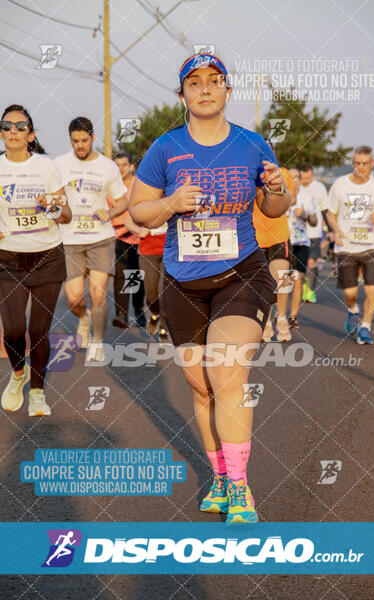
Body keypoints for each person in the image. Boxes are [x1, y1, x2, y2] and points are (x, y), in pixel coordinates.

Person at [130, 53, 290, 524]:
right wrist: (171, 202)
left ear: (226, 90)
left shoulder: (252, 143)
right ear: (181, 94)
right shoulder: (165, 148)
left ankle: (239, 488)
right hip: (182, 282)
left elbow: (276, 208)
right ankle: (220, 475)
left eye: (214, 81)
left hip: (242, 272)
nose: (205, 89)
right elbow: (138, 211)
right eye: (194, 82)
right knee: (201, 389)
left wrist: (278, 187)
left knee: (227, 373)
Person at [0, 104, 72, 416]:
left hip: (47, 257)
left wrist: (52, 207)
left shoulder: (46, 167)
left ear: (30, 134)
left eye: (20, 126)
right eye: (7, 125)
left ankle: (39, 393)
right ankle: (19, 374)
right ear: (1, 133)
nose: (13, 131)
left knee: (39, 330)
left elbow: (66, 216)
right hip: (8, 259)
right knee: (14, 329)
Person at [55, 118, 128, 361]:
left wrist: (111, 212)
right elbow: (51, 198)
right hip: (70, 239)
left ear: (92, 137)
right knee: (73, 296)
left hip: (101, 237)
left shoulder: (107, 167)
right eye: (75, 141)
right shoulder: (59, 165)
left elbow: (123, 200)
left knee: (98, 293)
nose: (80, 146)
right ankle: (83, 318)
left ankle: (97, 341)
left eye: (84, 140)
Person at [327, 146, 374, 344]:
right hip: (346, 246)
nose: (360, 167)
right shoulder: (340, 184)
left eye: (365, 163)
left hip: (373, 245)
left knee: (372, 290)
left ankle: (366, 327)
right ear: (353, 162)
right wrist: (335, 229)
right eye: (357, 163)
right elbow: (331, 213)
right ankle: (352, 310)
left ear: (372, 163)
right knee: (351, 293)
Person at [253, 167, 294, 342]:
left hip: (279, 233)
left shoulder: (282, 173)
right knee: (265, 283)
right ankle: (266, 321)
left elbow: (289, 198)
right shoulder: (247, 172)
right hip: (256, 235)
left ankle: (283, 318)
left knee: (284, 277)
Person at [110, 153, 146, 329]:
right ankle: (121, 314)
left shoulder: (139, 184)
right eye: (116, 165)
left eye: (124, 165)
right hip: (120, 237)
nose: (120, 169)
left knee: (137, 275)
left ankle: (139, 310)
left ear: (131, 166)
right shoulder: (110, 187)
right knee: (121, 275)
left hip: (140, 237)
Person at [125, 212, 168, 341]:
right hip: (148, 252)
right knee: (151, 295)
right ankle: (154, 315)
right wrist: (139, 230)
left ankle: (164, 331)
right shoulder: (144, 197)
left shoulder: (173, 195)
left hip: (170, 251)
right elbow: (128, 222)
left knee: (163, 294)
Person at [285, 169, 317, 329]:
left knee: (298, 281)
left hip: (301, 243)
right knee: (283, 282)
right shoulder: (280, 195)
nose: (295, 180)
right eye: (291, 177)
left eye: (297, 177)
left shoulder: (306, 197)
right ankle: (281, 316)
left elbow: (314, 221)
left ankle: (293, 316)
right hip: (283, 243)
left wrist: (305, 214)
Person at [298, 163, 329, 303]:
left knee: (311, 262)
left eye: (308, 178)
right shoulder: (294, 188)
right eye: (303, 178)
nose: (306, 181)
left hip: (314, 232)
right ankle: (289, 291)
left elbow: (325, 210)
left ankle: (310, 290)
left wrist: (328, 231)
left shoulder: (319, 188)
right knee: (293, 266)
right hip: (295, 234)